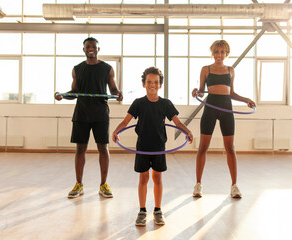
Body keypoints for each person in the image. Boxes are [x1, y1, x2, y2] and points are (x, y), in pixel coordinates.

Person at [112, 67, 193, 226]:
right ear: (143, 84)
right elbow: (125, 122)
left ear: (160, 85)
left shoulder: (165, 104)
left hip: (158, 147)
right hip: (142, 146)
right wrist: (116, 131)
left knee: (157, 177)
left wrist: (188, 131)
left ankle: (157, 210)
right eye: (149, 82)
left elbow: (177, 122)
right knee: (143, 178)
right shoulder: (138, 103)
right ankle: (142, 211)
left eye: (156, 82)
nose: (152, 85)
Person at [55, 37, 123, 199]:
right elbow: (74, 92)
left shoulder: (107, 68)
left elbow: (113, 89)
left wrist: (117, 94)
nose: (91, 49)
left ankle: (103, 185)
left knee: (102, 148)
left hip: (100, 113)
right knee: (80, 149)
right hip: (82, 113)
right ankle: (79, 185)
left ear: (98, 49)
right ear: (84, 49)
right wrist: (62, 96)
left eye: (94, 47)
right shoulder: (77, 69)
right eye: (88, 47)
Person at [191, 40, 256, 198]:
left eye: (222, 52)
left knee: (230, 148)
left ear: (226, 54)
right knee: (203, 147)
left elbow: (231, 93)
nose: (219, 55)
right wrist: (196, 92)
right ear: (212, 52)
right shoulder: (205, 69)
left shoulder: (231, 70)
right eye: (216, 51)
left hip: (226, 108)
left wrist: (246, 99)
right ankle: (198, 184)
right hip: (211, 107)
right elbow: (201, 91)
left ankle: (234, 186)